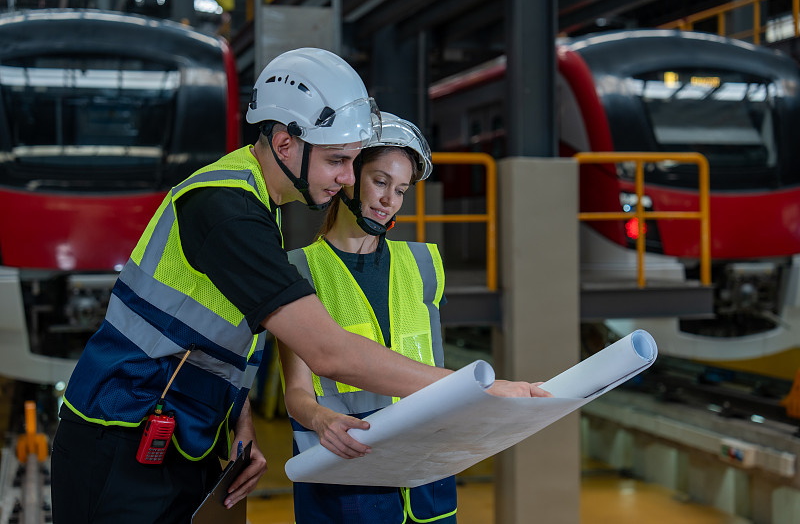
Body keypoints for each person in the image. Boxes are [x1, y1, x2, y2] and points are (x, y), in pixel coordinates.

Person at [50, 48, 547, 524]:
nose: (347, 178)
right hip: (121, 433)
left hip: (178, 432)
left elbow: (207, 341)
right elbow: (330, 353)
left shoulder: (256, 204)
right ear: (286, 143)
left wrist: (238, 416)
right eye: (337, 160)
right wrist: (480, 389)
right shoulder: (227, 210)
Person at [279, 113, 545, 523]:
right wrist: (320, 418)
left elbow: (429, 372)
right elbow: (296, 391)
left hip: (425, 481)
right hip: (347, 476)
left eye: (401, 190)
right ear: (349, 176)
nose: (390, 200)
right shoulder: (299, 271)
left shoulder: (423, 265)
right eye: (380, 182)